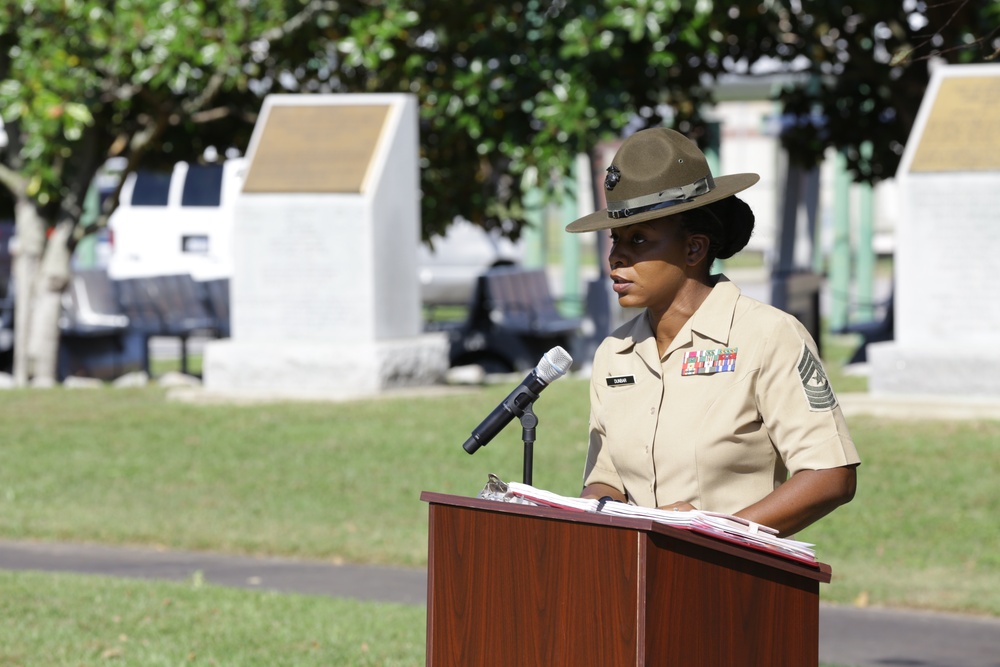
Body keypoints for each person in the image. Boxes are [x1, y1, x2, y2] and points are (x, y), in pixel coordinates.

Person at [566, 127, 859, 537]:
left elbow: (831, 475)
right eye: (615, 238)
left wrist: (714, 533)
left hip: (729, 582)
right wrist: (595, 511)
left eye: (638, 239)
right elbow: (605, 479)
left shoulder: (769, 336)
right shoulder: (614, 353)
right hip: (634, 578)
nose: (617, 256)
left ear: (694, 249)